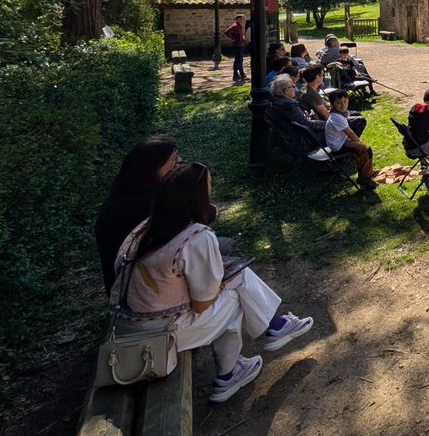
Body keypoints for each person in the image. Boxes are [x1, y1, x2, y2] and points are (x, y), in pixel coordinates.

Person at [112, 162, 313, 403]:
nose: (211, 190)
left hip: (127, 324)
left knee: (237, 280)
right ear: (196, 196)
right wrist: (218, 281)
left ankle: (264, 338)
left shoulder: (144, 229)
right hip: (159, 337)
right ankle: (239, 364)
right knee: (236, 296)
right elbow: (201, 305)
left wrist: (216, 276)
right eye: (208, 185)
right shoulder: (196, 236)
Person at [95, 136, 178, 293]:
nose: (178, 162)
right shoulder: (148, 203)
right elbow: (185, 231)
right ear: (154, 166)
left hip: (122, 285)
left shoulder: (122, 193)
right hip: (143, 290)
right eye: (173, 159)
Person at [324, 90, 377, 188]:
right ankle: (365, 179)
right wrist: (360, 143)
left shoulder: (338, 113)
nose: (343, 105)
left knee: (363, 149)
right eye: (339, 103)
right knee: (366, 149)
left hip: (340, 141)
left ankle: (366, 172)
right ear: (332, 104)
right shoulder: (337, 117)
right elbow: (350, 133)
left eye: (345, 101)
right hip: (338, 146)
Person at [266, 75, 316, 156]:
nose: (295, 87)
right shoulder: (289, 105)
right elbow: (307, 124)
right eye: (292, 86)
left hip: (282, 139)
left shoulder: (274, 101)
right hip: (298, 141)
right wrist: (327, 123)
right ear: (286, 91)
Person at [222, 14, 248, 83]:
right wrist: (233, 38)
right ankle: (240, 74)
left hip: (241, 44)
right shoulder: (235, 26)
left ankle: (237, 74)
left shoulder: (240, 26)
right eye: (243, 19)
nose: (244, 21)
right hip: (238, 45)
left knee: (239, 60)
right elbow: (227, 32)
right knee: (239, 60)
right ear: (238, 19)